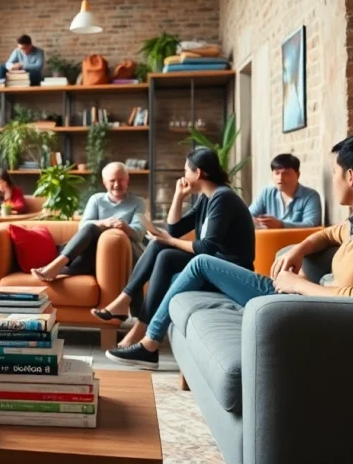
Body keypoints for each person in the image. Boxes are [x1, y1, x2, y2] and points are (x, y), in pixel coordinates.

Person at [105, 134, 353, 368]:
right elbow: (330, 232)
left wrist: (298, 284)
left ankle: (148, 340)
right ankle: (147, 338)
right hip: (298, 297)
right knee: (188, 260)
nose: (332, 181)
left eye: (334, 173)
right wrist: (299, 248)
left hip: (309, 311)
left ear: (350, 176)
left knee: (199, 259)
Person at [92, 148, 255, 349]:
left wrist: (169, 240)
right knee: (161, 247)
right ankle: (130, 308)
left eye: (186, 170)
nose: (184, 175)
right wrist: (178, 196)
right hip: (213, 262)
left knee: (166, 251)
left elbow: (205, 247)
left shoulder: (223, 198)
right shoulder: (206, 198)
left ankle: (135, 320)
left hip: (229, 271)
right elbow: (174, 229)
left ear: (198, 173)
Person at [32, 162, 146, 281]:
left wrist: (125, 227)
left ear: (127, 180)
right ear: (104, 183)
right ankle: (56, 268)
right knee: (90, 228)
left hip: (124, 253)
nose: (117, 184)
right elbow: (82, 227)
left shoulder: (138, 202)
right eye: (112, 180)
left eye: (121, 180)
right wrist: (104, 223)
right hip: (94, 253)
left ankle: (56, 267)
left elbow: (139, 234)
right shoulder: (96, 199)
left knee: (91, 230)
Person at [250, 153, 322, 229]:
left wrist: (281, 225)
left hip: (299, 240)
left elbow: (311, 224)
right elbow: (248, 216)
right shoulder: (266, 193)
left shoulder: (311, 196)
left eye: (286, 174)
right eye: (277, 173)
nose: (280, 178)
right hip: (269, 239)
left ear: (298, 175)